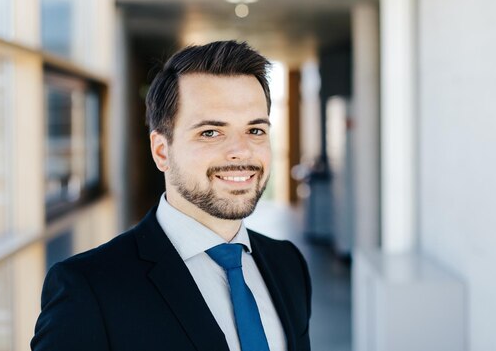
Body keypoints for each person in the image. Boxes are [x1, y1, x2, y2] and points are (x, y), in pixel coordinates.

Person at [31, 40, 312, 351]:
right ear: (161, 151)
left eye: (255, 130)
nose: (241, 151)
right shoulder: (89, 290)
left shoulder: (288, 263)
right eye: (210, 132)